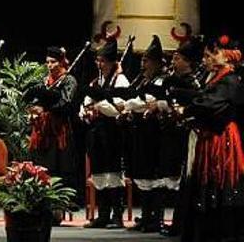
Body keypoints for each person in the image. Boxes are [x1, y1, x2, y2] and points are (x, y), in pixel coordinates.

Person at [180, 36, 244, 242]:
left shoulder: (230, 80)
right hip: (210, 135)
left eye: (210, 55)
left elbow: (210, 104)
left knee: (220, 180)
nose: (205, 60)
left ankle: (223, 233)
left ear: (225, 57)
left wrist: (187, 108)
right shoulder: (217, 78)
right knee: (206, 183)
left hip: (221, 138)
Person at [24, 46, 77, 225]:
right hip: (42, 131)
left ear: (61, 62)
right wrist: (33, 110)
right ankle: (40, 207)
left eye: (53, 62)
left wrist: (46, 107)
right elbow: (34, 99)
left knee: (57, 170)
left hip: (59, 132)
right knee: (41, 169)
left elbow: (66, 103)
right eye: (47, 62)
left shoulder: (68, 81)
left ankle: (56, 211)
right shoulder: (44, 81)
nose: (49, 65)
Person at [79, 36, 129, 229]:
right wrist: (86, 110)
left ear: (111, 62)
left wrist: (100, 105)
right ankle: (103, 214)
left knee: (113, 173)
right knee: (99, 172)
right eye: (97, 60)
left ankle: (117, 215)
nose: (99, 64)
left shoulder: (120, 80)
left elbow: (122, 107)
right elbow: (86, 101)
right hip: (96, 132)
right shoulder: (95, 81)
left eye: (102, 61)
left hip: (113, 132)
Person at [120, 35, 168, 232]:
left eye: (146, 61)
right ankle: (147, 215)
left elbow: (144, 101)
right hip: (141, 133)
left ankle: (156, 217)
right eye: (142, 60)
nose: (143, 64)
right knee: (142, 174)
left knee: (154, 176)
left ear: (156, 63)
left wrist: (131, 104)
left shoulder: (161, 81)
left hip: (155, 134)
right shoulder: (143, 80)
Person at [160, 36, 204, 237]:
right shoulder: (174, 80)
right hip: (178, 134)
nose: (172, 62)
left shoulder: (194, 82)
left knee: (187, 179)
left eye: (177, 58)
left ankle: (185, 223)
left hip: (193, 133)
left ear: (187, 62)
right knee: (183, 178)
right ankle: (180, 223)